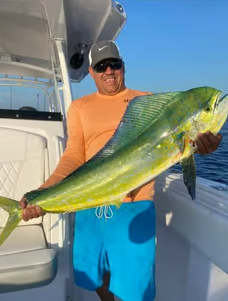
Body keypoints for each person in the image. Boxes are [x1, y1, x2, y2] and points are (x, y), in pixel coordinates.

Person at [19, 40, 222, 301]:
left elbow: (187, 139)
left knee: (135, 290)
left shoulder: (149, 101)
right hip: (90, 202)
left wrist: (204, 145)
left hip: (134, 207)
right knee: (95, 276)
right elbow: (73, 156)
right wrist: (45, 191)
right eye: (101, 66)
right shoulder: (80, 107)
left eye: (114, 64)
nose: (109, 71)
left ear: (123, 66)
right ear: (91, 72)